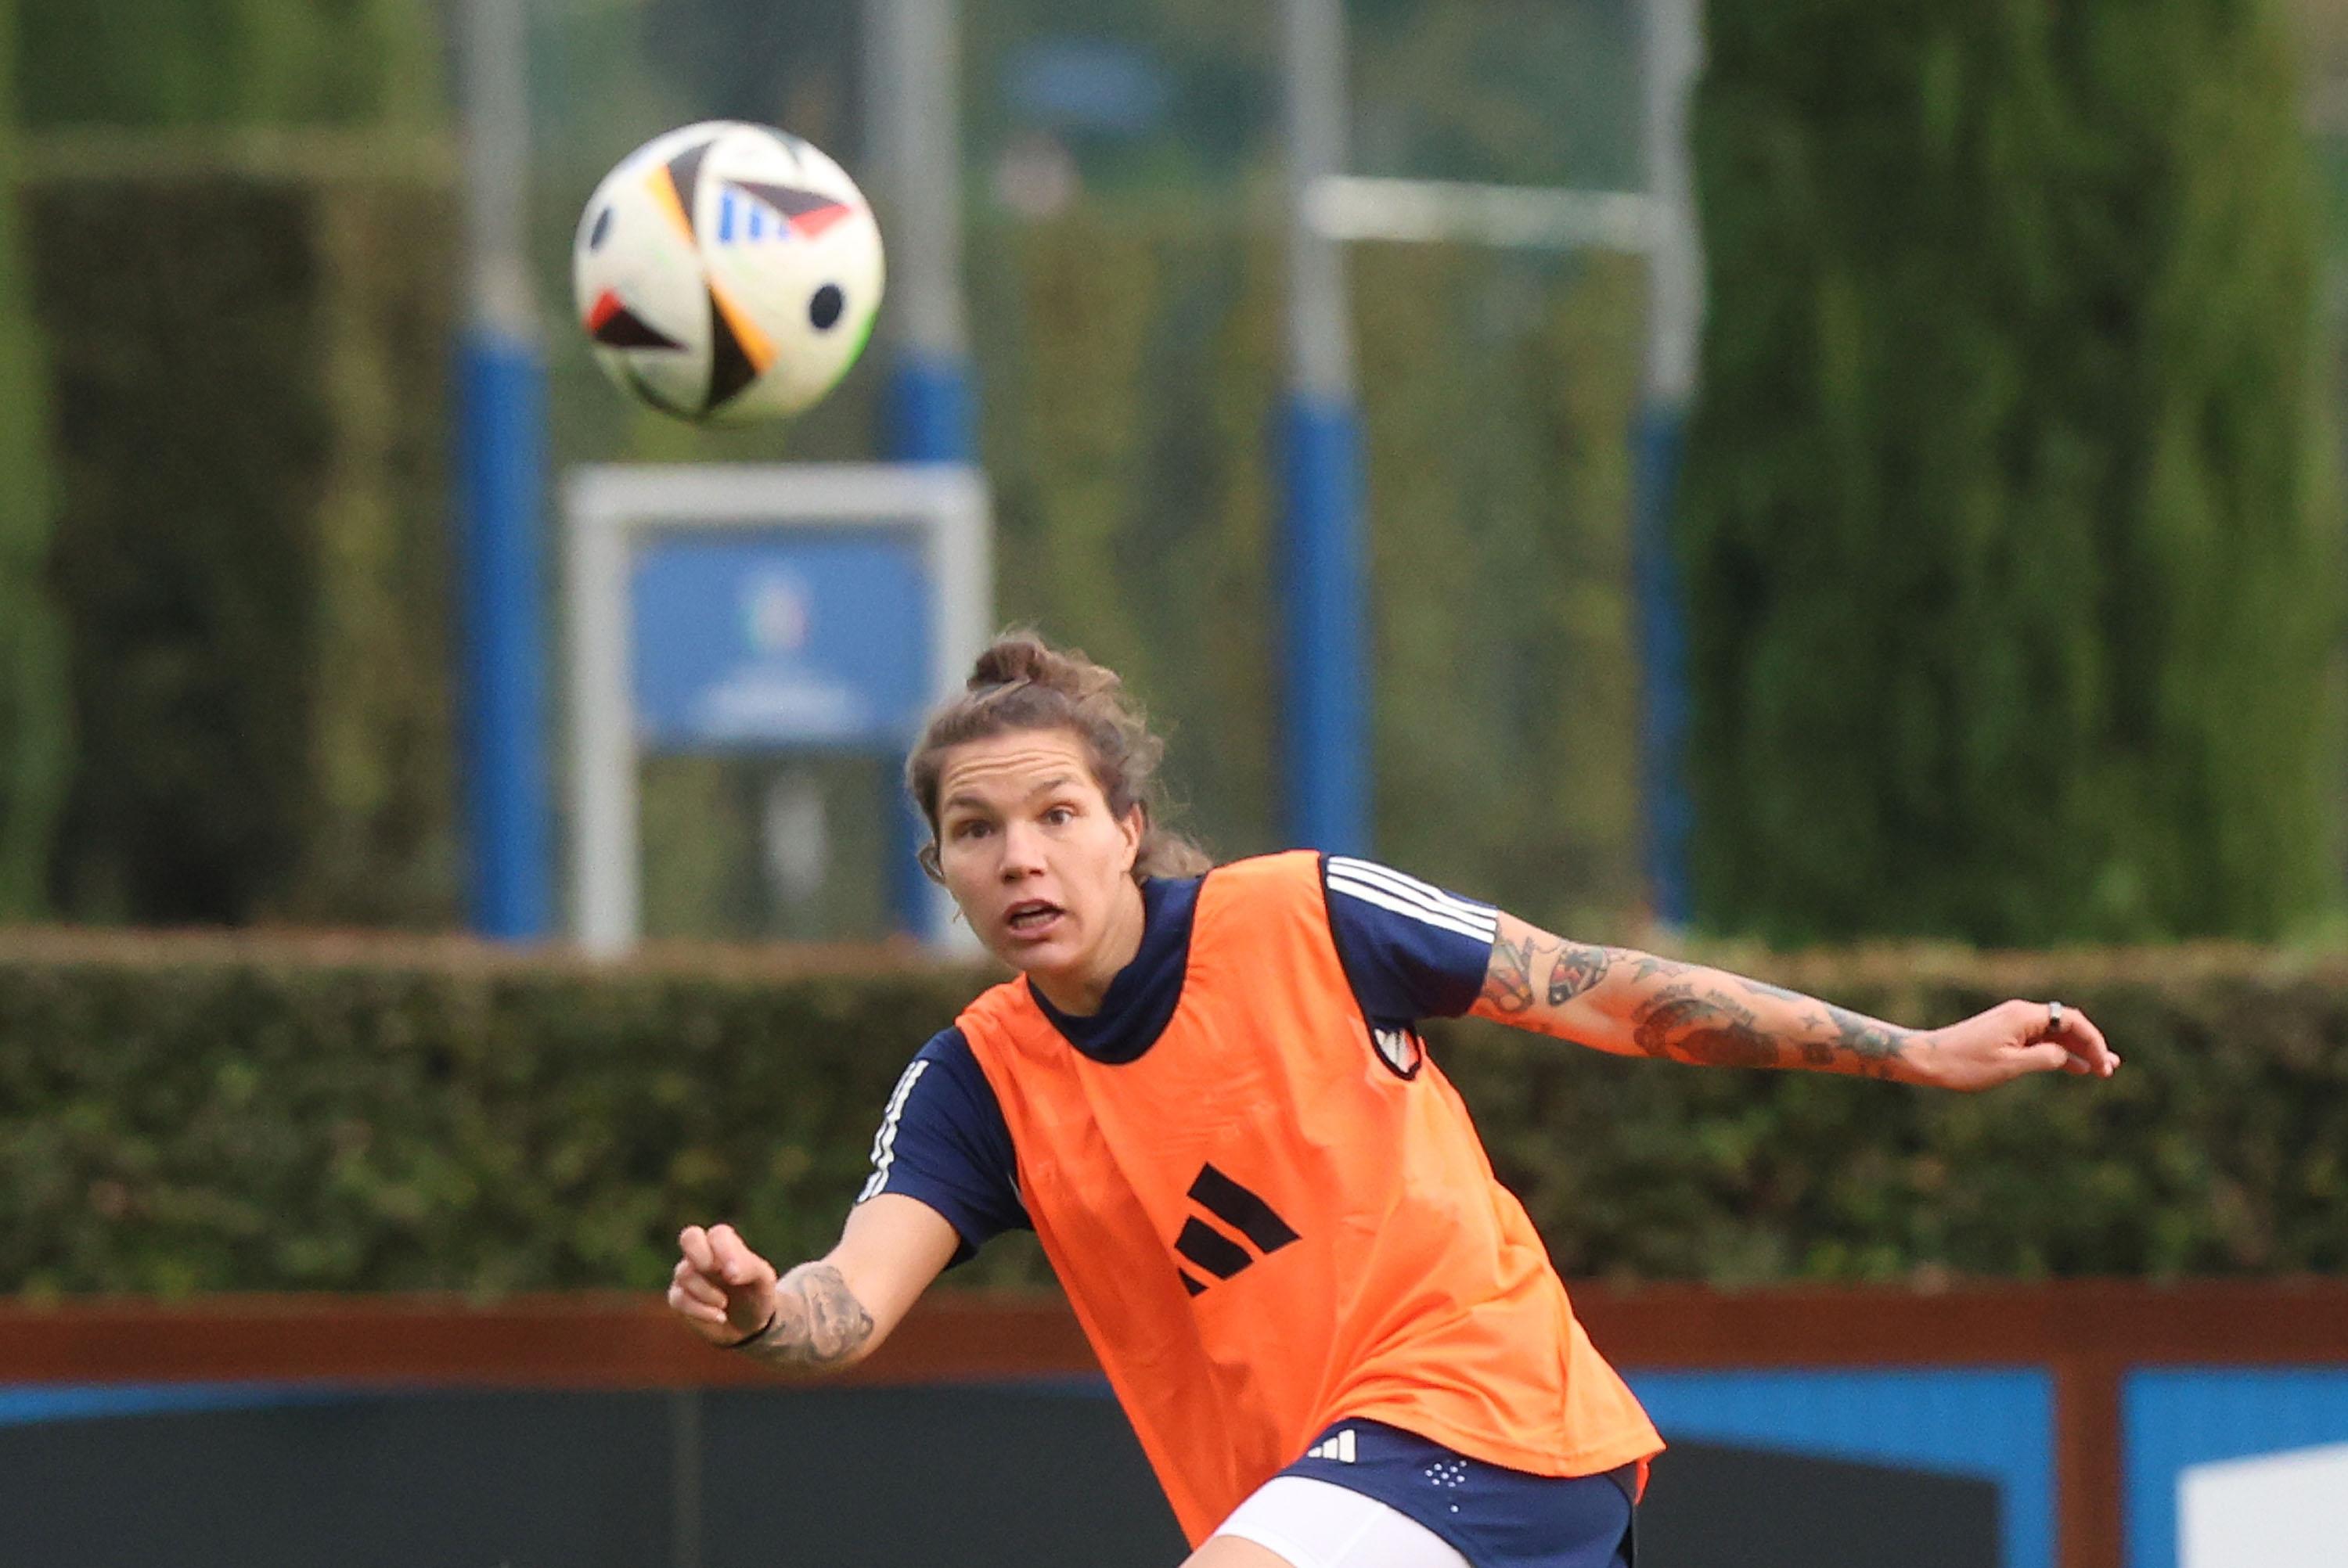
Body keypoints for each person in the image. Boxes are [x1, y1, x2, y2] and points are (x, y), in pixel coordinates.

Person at [668, 632, 2119, 1568]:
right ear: (940, 869)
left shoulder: (1302, 914)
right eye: (974, 832)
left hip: (1490, 1424)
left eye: (1055, 815)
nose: (1019, 857)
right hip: (1336, 1503)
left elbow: (1608, 988)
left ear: (1125, 828)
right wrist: (756, 1311)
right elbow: (847, 1306)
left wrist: (1912, 1050)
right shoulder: (977, 1080)